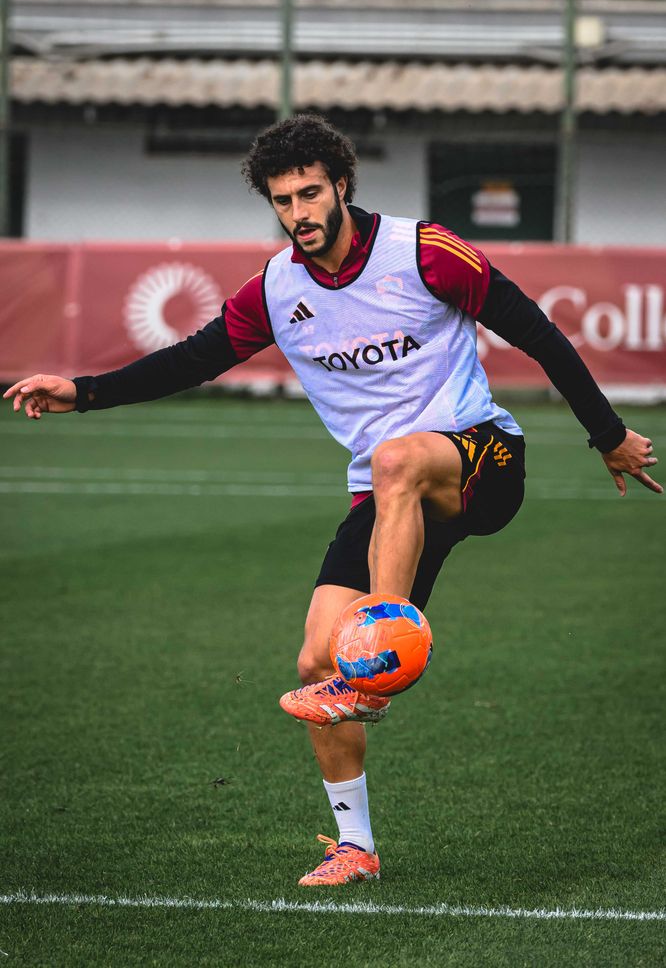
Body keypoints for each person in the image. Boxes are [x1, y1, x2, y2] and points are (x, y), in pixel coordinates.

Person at [4, 115, 661, 888]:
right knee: (317, 660)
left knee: (395, 463)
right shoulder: (277, 291)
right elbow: (193, 360)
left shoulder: (423, 252)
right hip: (387, 498)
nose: (299, 213)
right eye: (283, 201)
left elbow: (540, 336)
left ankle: (383, 657)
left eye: (310, 193)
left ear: (341, 185)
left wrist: (607, 434)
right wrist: (80, 393)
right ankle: (355, 846)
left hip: (480, 459)